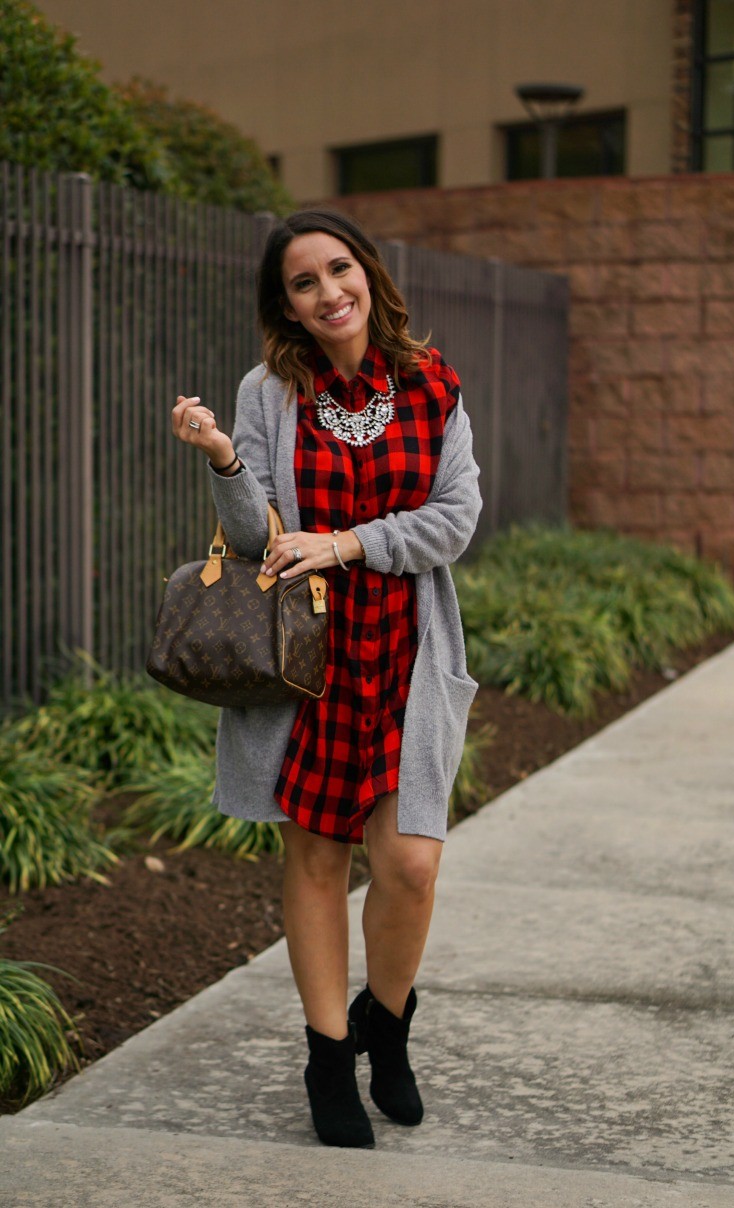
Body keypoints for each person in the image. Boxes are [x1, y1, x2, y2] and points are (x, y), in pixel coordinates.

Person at [172, 209, 481, 1149]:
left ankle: (387, 1029)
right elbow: (260, 535)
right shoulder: (268, 393)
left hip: (405, 653)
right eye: (303, 283)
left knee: (411, 866)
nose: (327, 292)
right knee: (315, 857)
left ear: (368, 275)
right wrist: (225, 456)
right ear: (289, 306)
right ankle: (327, 1052)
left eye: (337, 270)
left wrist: (351, 542)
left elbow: (456, 516)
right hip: (309, 662)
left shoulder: (431, 385)